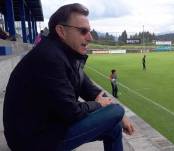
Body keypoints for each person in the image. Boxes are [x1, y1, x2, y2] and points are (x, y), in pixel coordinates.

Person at [3, 3, 134, 151]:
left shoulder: (66, 55)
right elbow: (73, 112)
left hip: (47, 126)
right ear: (61, 31)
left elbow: (91, 90)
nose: (90, 37)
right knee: (115, 111)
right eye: (83, 31)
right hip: (31, 140)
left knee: (114, 123)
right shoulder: (49, 57)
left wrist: (120, 117)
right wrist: (100, 105)